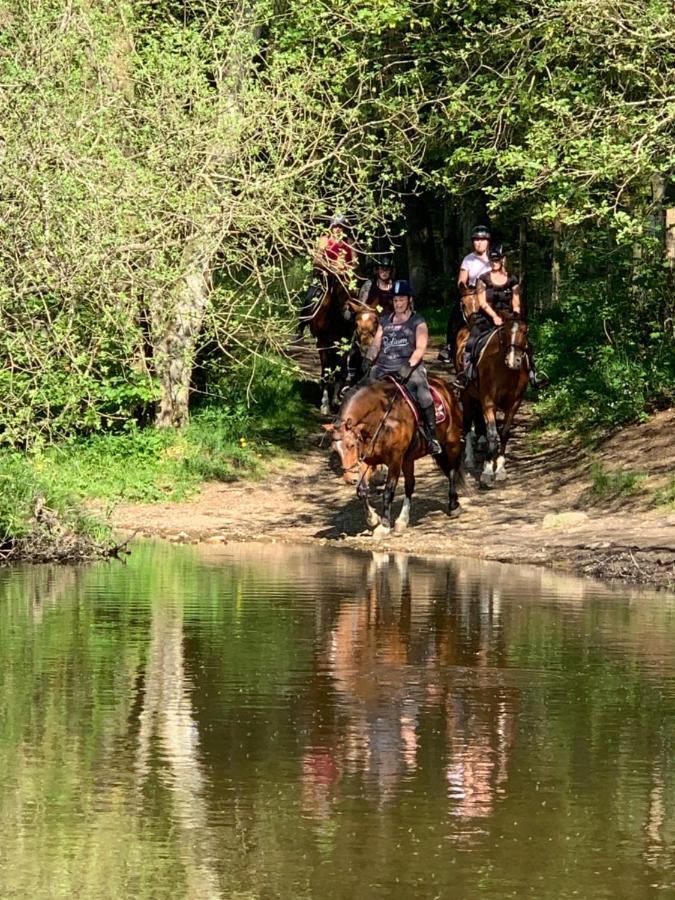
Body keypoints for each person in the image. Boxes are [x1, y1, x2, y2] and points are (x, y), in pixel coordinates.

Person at [363, 280, 442, 455]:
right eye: (396, 300)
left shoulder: (418, 321)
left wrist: (408, 366)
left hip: (409, 368)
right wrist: (368, 359)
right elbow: (376, 344)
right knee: (359, 391)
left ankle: (431, 436)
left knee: (423, 395)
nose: (398, 303)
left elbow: (421, 348)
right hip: (383, 367)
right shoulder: (384, 321)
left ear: (409, 300)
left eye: (402, 300)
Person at [455, 243, 530, 388]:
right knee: (472, 341)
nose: (494, 263)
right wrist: (494, 316)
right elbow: (482, 302)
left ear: (503, 260)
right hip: (487, 317)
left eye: (497, 260)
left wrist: (514, 315)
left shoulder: (512, 280)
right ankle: (466, 373)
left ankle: (533, 373)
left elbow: (516, 301)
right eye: (492, 260)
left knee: (524, 341)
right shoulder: (483, 279)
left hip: (508, 318)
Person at [296, 216, 357, 339]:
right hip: (325, 277)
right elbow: (317, 260)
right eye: (335, 226)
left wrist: (346, 268)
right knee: (310, 297)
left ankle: (356, 329)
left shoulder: (349, 241)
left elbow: (355, 262)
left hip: (343, 278)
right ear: (331, 227)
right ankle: (301, 327)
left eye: (340, 226)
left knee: (355, 299)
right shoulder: (324, 240)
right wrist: (332, 267)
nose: (338, 229)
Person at [438, 225, 491, 362]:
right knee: (455, 315)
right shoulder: (468, 259)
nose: (479, 243)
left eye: (483, 240)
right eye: (477, 240)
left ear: (488, 241)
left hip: (489, 295)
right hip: (471, 293)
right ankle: (449, 347)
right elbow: (461, 280)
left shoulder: (494, 259)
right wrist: (465, 288)